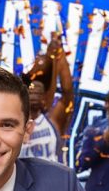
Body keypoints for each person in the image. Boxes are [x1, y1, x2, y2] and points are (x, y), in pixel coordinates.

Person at [20, 33, 74, 162]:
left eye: (38, 93)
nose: (34, 95)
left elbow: (68, 93)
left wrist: (58, 57)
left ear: (43, 98)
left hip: (52, 180)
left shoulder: (52, 119)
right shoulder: (13, 123)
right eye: (31, 92)